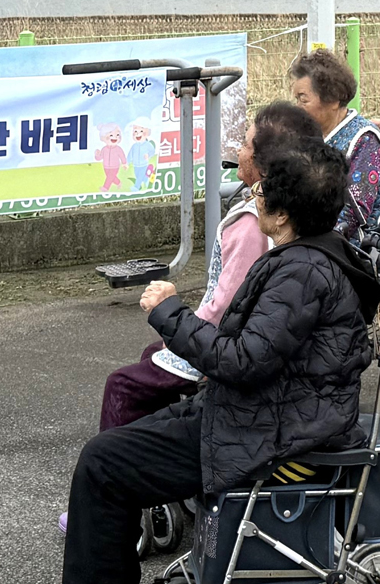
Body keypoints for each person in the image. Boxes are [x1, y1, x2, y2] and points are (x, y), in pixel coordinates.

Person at [14, 137, 380, 584]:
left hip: (265, 428)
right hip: (266, 412)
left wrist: (169, 313)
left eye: (260, 192)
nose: (253, 197)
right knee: (113, 451)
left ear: (280, 215)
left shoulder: (300, 272)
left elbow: (241, 360)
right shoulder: (318, 256)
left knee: (104, 464)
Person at [96, 102, 319, 432]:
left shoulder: (251, 225)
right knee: (151, 355)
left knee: (123, 386)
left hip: (230, 349)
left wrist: (171, 310)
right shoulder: (295, 212)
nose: (238, 151)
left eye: (244, 145)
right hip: (257, 345)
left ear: (263, 165)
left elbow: (225, 309)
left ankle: (122, 466)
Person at [289, 48, 380, 245]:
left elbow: (352, 213)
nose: (297, 107)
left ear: (333, 99)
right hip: (313, 240)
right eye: (296, 99)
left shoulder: (365, 139)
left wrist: (299, 238)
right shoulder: (306, 135)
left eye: (303, 99)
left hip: (360, 250)